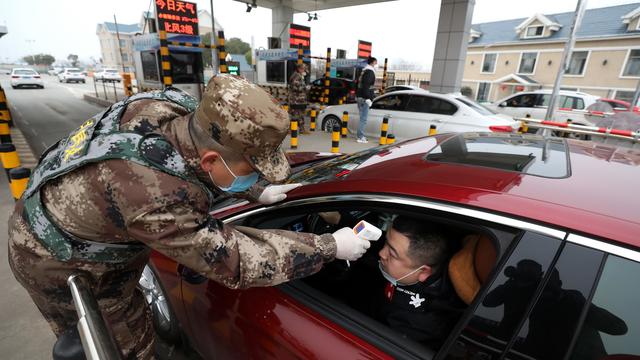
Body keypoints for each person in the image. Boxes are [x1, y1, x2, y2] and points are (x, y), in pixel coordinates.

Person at [8, 74, 371, 359]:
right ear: (213, 160)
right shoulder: (154, 196)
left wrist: (253, 189)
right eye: (252, 169)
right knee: (121, 341)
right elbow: (234, 261)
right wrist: (328, 246)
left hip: (79, 211)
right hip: (57, 258)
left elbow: (195, 162)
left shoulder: (173, 108)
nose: (257, 174)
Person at [370, 216, 465, 349]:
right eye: (386, 242)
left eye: (391, 253)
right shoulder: (427, 257)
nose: (381, 253)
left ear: (424, 272)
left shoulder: (414, 326)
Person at [355, 57, 377, 143]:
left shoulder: (363, 71)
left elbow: (358, 84)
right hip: (364, 98)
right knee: (363, 119)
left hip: (360, 97)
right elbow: (366, 86)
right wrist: (368, 98)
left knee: (362, 118)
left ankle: (360, 135)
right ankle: (360, 137)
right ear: (372, 62)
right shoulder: (370, 72)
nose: (376, 64)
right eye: (375, 62)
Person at [288, 63, 309, 134]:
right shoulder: (296, 76)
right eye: (304, 69)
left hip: (300, 100)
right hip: (296, 100)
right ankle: (290, 130)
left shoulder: (299, 76)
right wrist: (305, 88)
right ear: (300, 69)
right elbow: (295, 87)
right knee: (294, 115)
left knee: (300, 115)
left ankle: (302, 129)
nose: (305, 71)